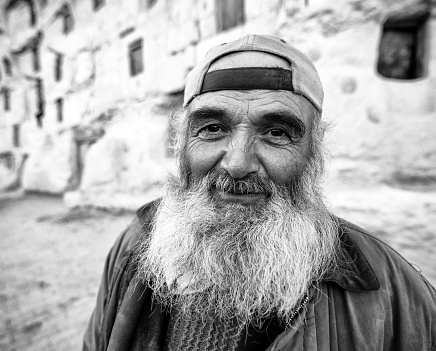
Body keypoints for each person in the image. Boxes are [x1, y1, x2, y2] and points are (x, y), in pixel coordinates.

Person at [83, 34, 436, 351]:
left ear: (314, 152)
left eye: (277, 133)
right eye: (212, 128)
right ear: (180, 146)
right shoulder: (133, 248)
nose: (237, 163)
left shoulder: (394, 294)